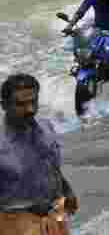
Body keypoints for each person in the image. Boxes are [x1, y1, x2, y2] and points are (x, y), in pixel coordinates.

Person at [0, 74, 79, 234]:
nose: (30, 109)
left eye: (33, 102)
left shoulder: (46, 128)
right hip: (14, 225)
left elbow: (50, 166)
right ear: (4, 105)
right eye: (20, 104)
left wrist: (67, 190)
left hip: (53, 219)